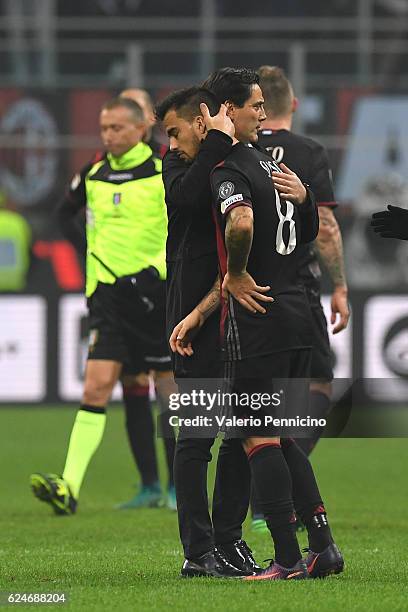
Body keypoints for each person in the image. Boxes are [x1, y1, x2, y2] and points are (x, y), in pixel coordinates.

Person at [175, 67, 343, 580]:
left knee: (257, 437)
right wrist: (307, 199)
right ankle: (322, 546)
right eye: (255, 106)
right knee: (282, 436)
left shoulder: (230, 168)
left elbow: (240, 221)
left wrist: (239, 272)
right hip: (298, 309)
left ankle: (287, 556)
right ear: (230, 110)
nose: (263, 114)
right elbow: (311, 227)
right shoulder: (277, 169)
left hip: (259, 315)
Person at [30, 96, 176, 514]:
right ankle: (69, 487)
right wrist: (90, 252)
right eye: (103, 128)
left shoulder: (164, 171)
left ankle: (179, 489)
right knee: (95, 387)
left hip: (156, 296)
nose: (108, 136)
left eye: (116, 128)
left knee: (170, 394)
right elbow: (63, 216)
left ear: (141, 130)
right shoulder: (93, 173)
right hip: (108, 299)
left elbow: (185, 229)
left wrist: (157, 270)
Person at [156, 87, 263, 578]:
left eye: (175, 132)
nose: (171, 143)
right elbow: (188, 197)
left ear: (201, 120)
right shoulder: (177, 167)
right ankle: (197, 553)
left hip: (239, 313)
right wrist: (217, 144)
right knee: (196, 436)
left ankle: (229, 540)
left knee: (241, 430)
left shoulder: (237, 163)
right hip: (191, 318)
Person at [247, 65, 350, 531]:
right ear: (295, 105)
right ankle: (275, 494)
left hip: (245, 289)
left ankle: (264, 491)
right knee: (318, 388)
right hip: (297, 290)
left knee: (255, 399)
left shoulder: (240, 152)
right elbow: (324, 228)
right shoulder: (308, 152)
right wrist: (341, 286)